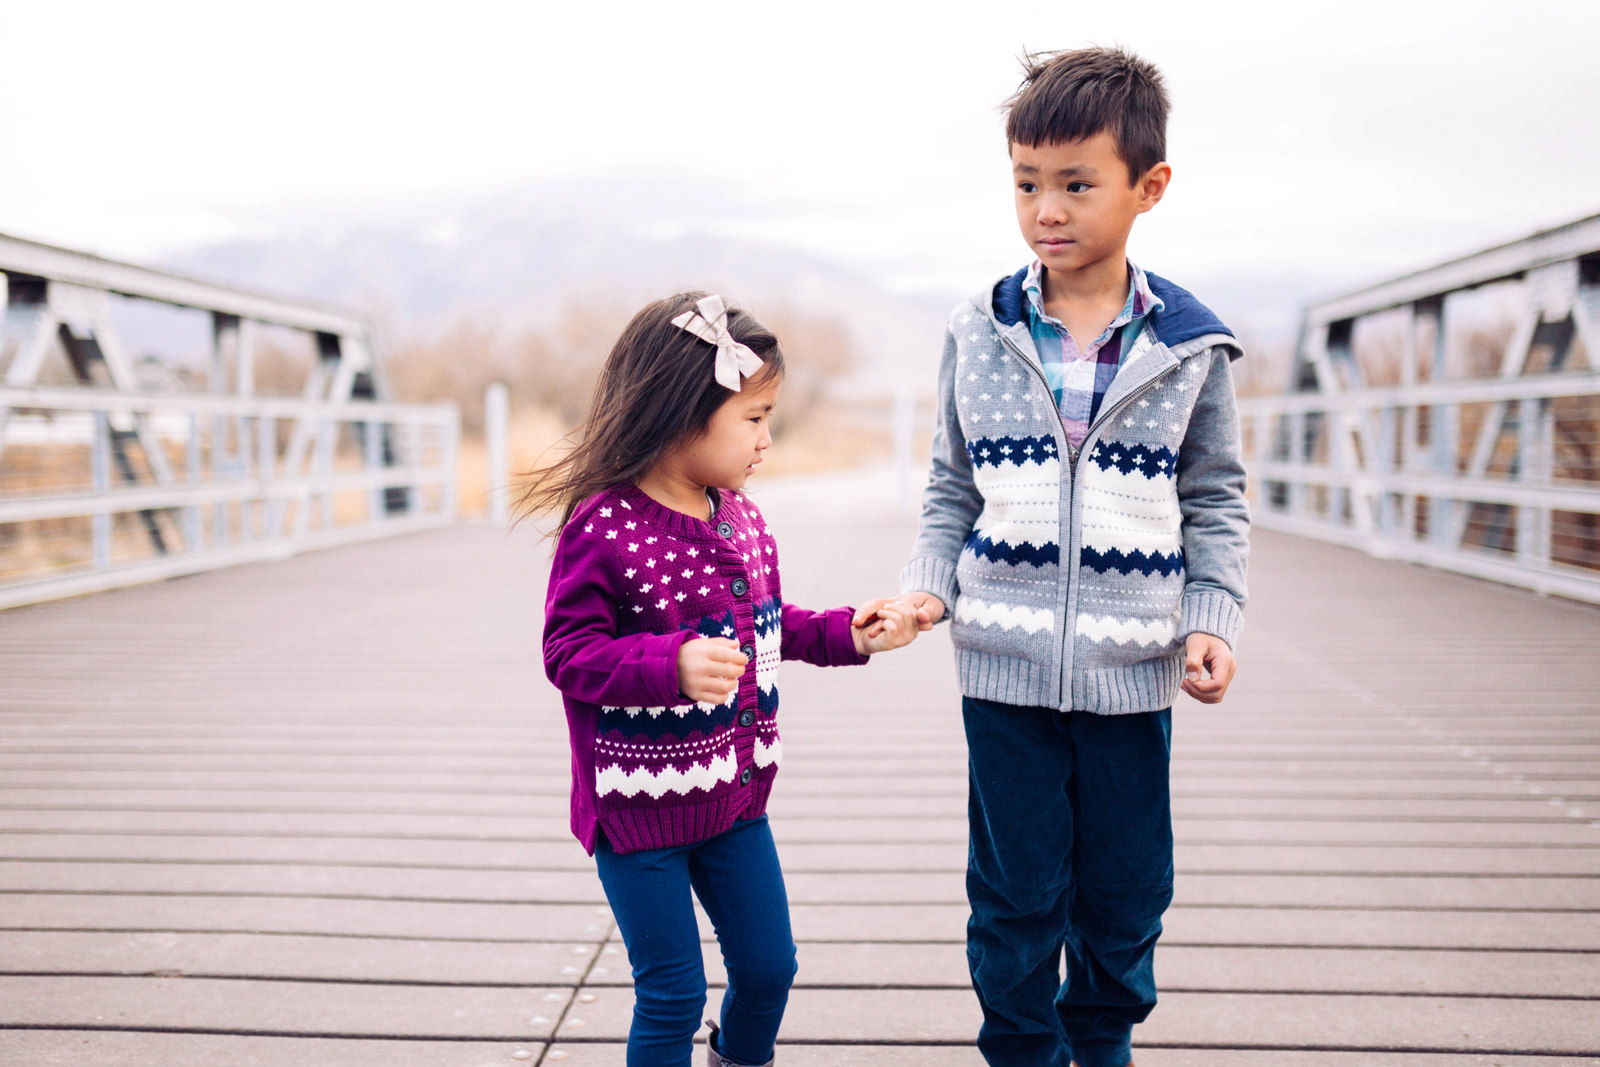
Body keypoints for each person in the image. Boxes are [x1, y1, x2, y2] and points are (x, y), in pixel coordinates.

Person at [862, 47, 1250, 1067]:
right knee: (1015, 888)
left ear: (1147, 187)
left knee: (1126, 890)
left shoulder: (1190, 349)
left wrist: (1212, 616)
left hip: (1134, 675)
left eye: (1076, 184)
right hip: (1003, 666)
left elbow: (1214, 498)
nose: (1047, 208)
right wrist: (924, 592)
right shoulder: (978, 331)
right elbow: (951, 486)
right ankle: (1021, 1047)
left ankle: (1103, 1034)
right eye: (1027, 183)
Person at [530, 291, 920, 1067]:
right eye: (754, 417)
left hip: (735, 799)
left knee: (771, 968)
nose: (767, 439)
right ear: (681, 412)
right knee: (671, 990)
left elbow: (771, 625)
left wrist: (851, 631)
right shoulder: (603, 526)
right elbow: (568, 652)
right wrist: (666, 663)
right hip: (636, 810)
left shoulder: (739, 515)